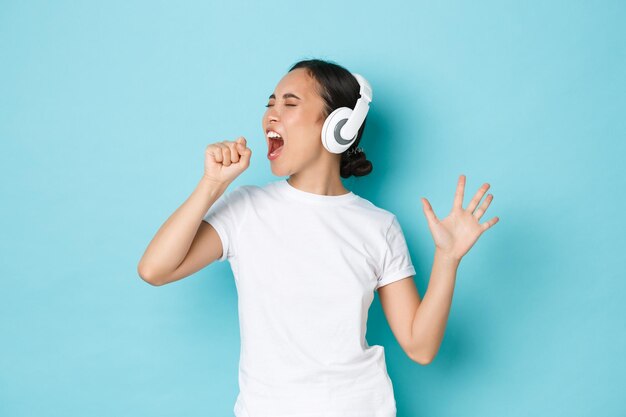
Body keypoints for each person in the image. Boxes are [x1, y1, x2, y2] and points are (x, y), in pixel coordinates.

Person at [137, 58, 499, 417]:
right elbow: (155, 269)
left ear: (339, 126)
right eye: (270, 104)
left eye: (290, 103)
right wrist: (212, 185)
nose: (271, 116)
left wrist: (447, 258)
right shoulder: (246, 208)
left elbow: (420, 347)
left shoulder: (378, 226)